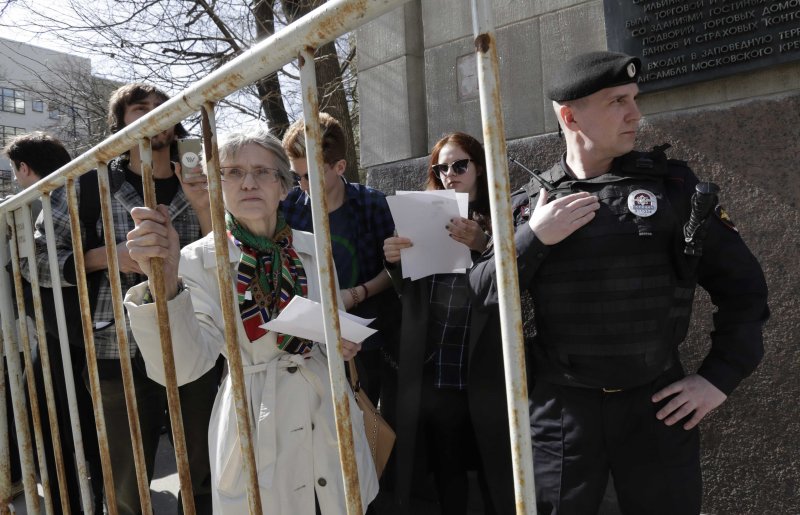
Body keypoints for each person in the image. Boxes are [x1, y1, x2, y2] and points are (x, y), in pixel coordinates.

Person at [469, 51, 770, 514]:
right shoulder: (532, 203)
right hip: (562, 412)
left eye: (634, 98)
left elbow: (745, 291)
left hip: (657, 407)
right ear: (570, 116)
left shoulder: (673, 189)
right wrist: (534, 239)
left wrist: (718, 378)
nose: (635, 113)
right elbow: (479, 293)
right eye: (617, 101)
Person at [123, 127, 379, 514]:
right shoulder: (194, 260)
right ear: (218, 185)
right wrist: (166, 284)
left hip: (325, 409)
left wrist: (339, 340)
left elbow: (329, 323)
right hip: (255, 414)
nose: (248, 183)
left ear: (284, 186)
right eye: (233, 172)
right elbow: (184, 366)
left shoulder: (313, 247)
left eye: (263, 172)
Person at [31, 84, 217, 515]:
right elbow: (34, 259)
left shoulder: (204, 178)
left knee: (206, 470)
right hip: (115, 347)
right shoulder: (87, 183)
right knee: (125, 481)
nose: (153, 116)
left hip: (195, 344)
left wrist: (206, 206)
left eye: (162, 109)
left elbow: (226, 259)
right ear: (120, 122)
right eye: (140, 109)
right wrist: (106, 256)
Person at [382, 132, 514, 514]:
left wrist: (484, 244)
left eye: (460, 165)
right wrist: (393, 261)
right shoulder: (423, 214)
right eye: (441, 168)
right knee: (448, 470)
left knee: (497, 468)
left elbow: (519, 277)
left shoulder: (506, 210)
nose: (449, 175)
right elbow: (409, 292)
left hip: (485, 367)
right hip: (439, 366)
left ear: (479, 167)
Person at [4, 131, 104, 513]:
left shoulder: (31, 202)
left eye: (15, 171)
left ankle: (74, 500)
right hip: (86, 326)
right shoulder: (89, 186)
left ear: (24, 168)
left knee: (61, 424)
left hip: (66, 331)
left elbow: (32, 267)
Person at [281, 113, 399, 408]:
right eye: (297, 176)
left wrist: (356, 294)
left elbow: (395, 268)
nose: (303, 185)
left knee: (367, 424)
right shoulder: (289, 210)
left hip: (369, 340)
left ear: (340, 166)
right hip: (308, 343)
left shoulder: (372, 203)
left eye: (310, 175)